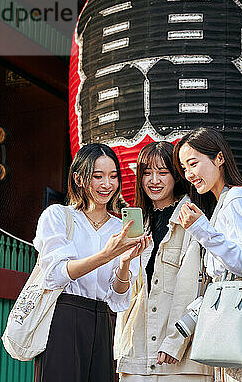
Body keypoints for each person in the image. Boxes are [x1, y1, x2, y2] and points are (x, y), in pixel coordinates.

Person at [33, 143, 149, 382]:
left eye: (113, 176)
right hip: (64, 317)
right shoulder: (58, 216)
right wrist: (106, 255)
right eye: (98, 176)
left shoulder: (120, 228)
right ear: (79, 178)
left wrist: (125, 262)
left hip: (104, 322)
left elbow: (118, 298)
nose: (107, 184)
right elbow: (55, 274)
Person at [174, 127, 242, 382]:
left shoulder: (236, 199)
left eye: (193, 164)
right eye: (184, 168)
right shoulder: (224, 202)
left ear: (219, 158)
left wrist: (200, 230)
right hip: (233, 318)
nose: (190, 174)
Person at [116, 141, 213, 382]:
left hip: (182, 361)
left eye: (162, 172)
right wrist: (124, 262)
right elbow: (123, 294)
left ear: (177, 175)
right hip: (136, 356)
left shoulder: (191, 218)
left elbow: (193, 287)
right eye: (147, 172)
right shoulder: (137, 224)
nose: (154, 180)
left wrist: (176, 339)